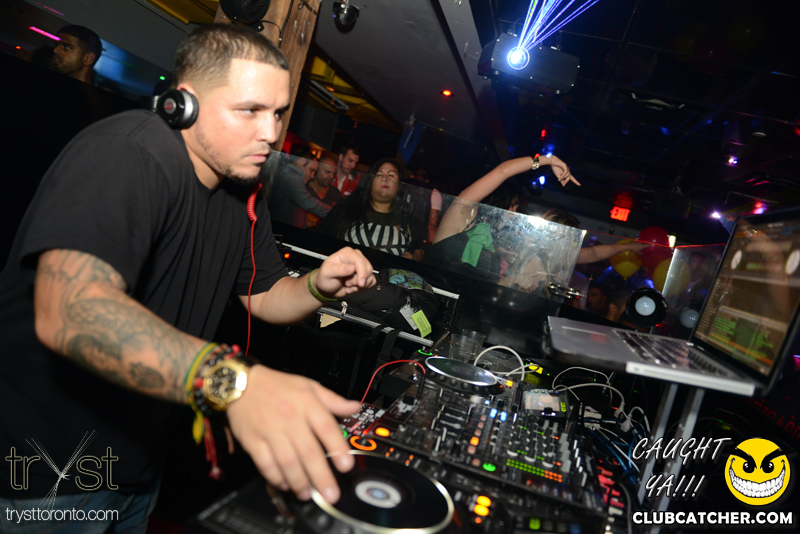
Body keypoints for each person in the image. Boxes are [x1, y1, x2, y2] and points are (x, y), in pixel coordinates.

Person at [0, 24, 375, 532]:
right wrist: (234, 383)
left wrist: (316, 285)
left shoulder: (244, 190)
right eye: (250, 110)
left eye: (277, 113)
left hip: (135, 468)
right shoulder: (128, 154)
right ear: (184, 103)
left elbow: (263, 295)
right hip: (41, 474)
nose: (271, 133)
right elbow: (71, 311)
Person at [427, 154, 577, 281]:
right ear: (497, 200)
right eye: (511, 206)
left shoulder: (492, 246)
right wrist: (548, 160)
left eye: (516, 209)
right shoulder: (462, 213)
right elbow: (503, 171)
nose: (513, 214)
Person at [318, 158, 425, 261]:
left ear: (399, 185)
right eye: (379, 175)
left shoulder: (407, 218)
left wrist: (415, 257)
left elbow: (420, 248)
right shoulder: (346, 208)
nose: (385, 178)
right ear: (370, 182)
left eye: (391, 175)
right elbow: (321, 240)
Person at [268, 149, 333, 228]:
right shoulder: (289, 174)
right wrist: (334, 212)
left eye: (314, 173)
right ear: (301, 161)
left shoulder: (291, 175)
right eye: (311, 170)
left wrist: (304, 223)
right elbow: (306, 201)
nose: (312, 176)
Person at [305, 155, 342, 229]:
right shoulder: (304, 188)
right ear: (317, 170)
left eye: (333, 173)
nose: (331, 176)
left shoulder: (336, 194)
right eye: (328, 172)